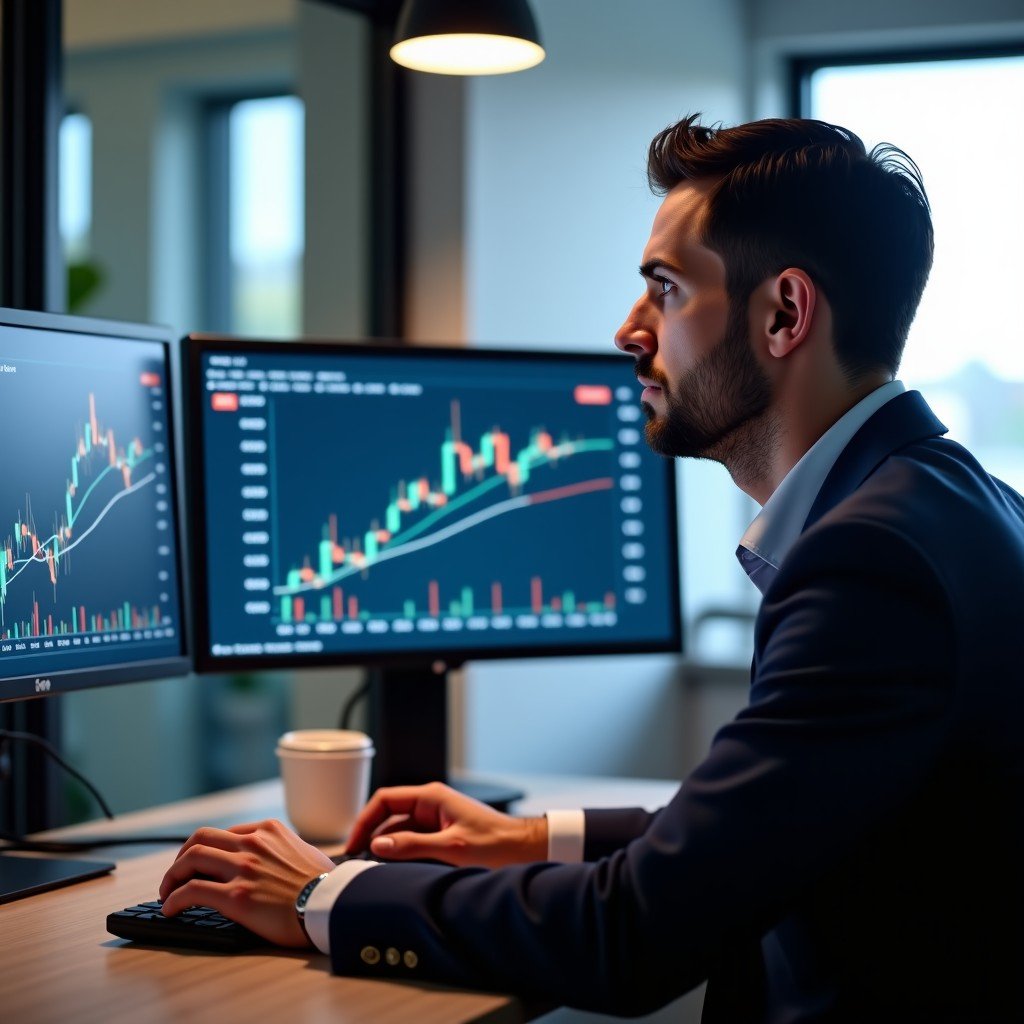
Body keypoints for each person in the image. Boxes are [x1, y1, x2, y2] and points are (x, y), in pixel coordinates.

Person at [160, 115, 1024, 1022]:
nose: (627, 330)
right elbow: (770, 832)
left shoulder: (870, 562)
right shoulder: (953, 503)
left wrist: (318, 898)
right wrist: (530, 837)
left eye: (665, 289)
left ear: (784, 314)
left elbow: (639, 932)